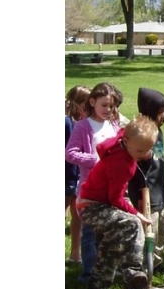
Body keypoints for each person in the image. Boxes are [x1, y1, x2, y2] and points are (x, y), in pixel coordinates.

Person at [75, 116, 159, 289]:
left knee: (109, 254)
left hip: (98, 204)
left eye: (147, 150)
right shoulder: (122, 164)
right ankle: (132, 271)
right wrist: (136, 213)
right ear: (127, 141)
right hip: (91, 207)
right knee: (130, 223)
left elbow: (122, 131)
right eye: (140, 150)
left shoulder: (121, 141)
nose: (144, 154)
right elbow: (116, 199)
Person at [65, 82, 123, 283]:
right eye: (104, 105)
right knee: (90, 233)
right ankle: (89, 272)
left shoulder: (113, 125)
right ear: (92, 102)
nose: (108, 110)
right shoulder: (83, 126)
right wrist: (93, 159)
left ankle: (108, 270)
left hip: (111, 189)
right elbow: (70, 153)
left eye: (112, 106)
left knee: (109, 232)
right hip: (90, 190)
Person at [127, 87, 164, 275]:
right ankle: (145, 266)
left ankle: (157, 261)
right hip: (145, 194)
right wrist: (138, 194)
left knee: (162, 230)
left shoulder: (158, 132)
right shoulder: (141, 135)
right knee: (149, 232)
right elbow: (136, 170)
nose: (162, 116)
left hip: (160, 191)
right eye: (159, 111)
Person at [65, 85, 91, 267]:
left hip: (79, 176)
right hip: (66, 175)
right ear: (76, 104)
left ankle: (75, 254)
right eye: (85, 105)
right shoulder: (66, 122)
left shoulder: (85, 123)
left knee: (77, 216)